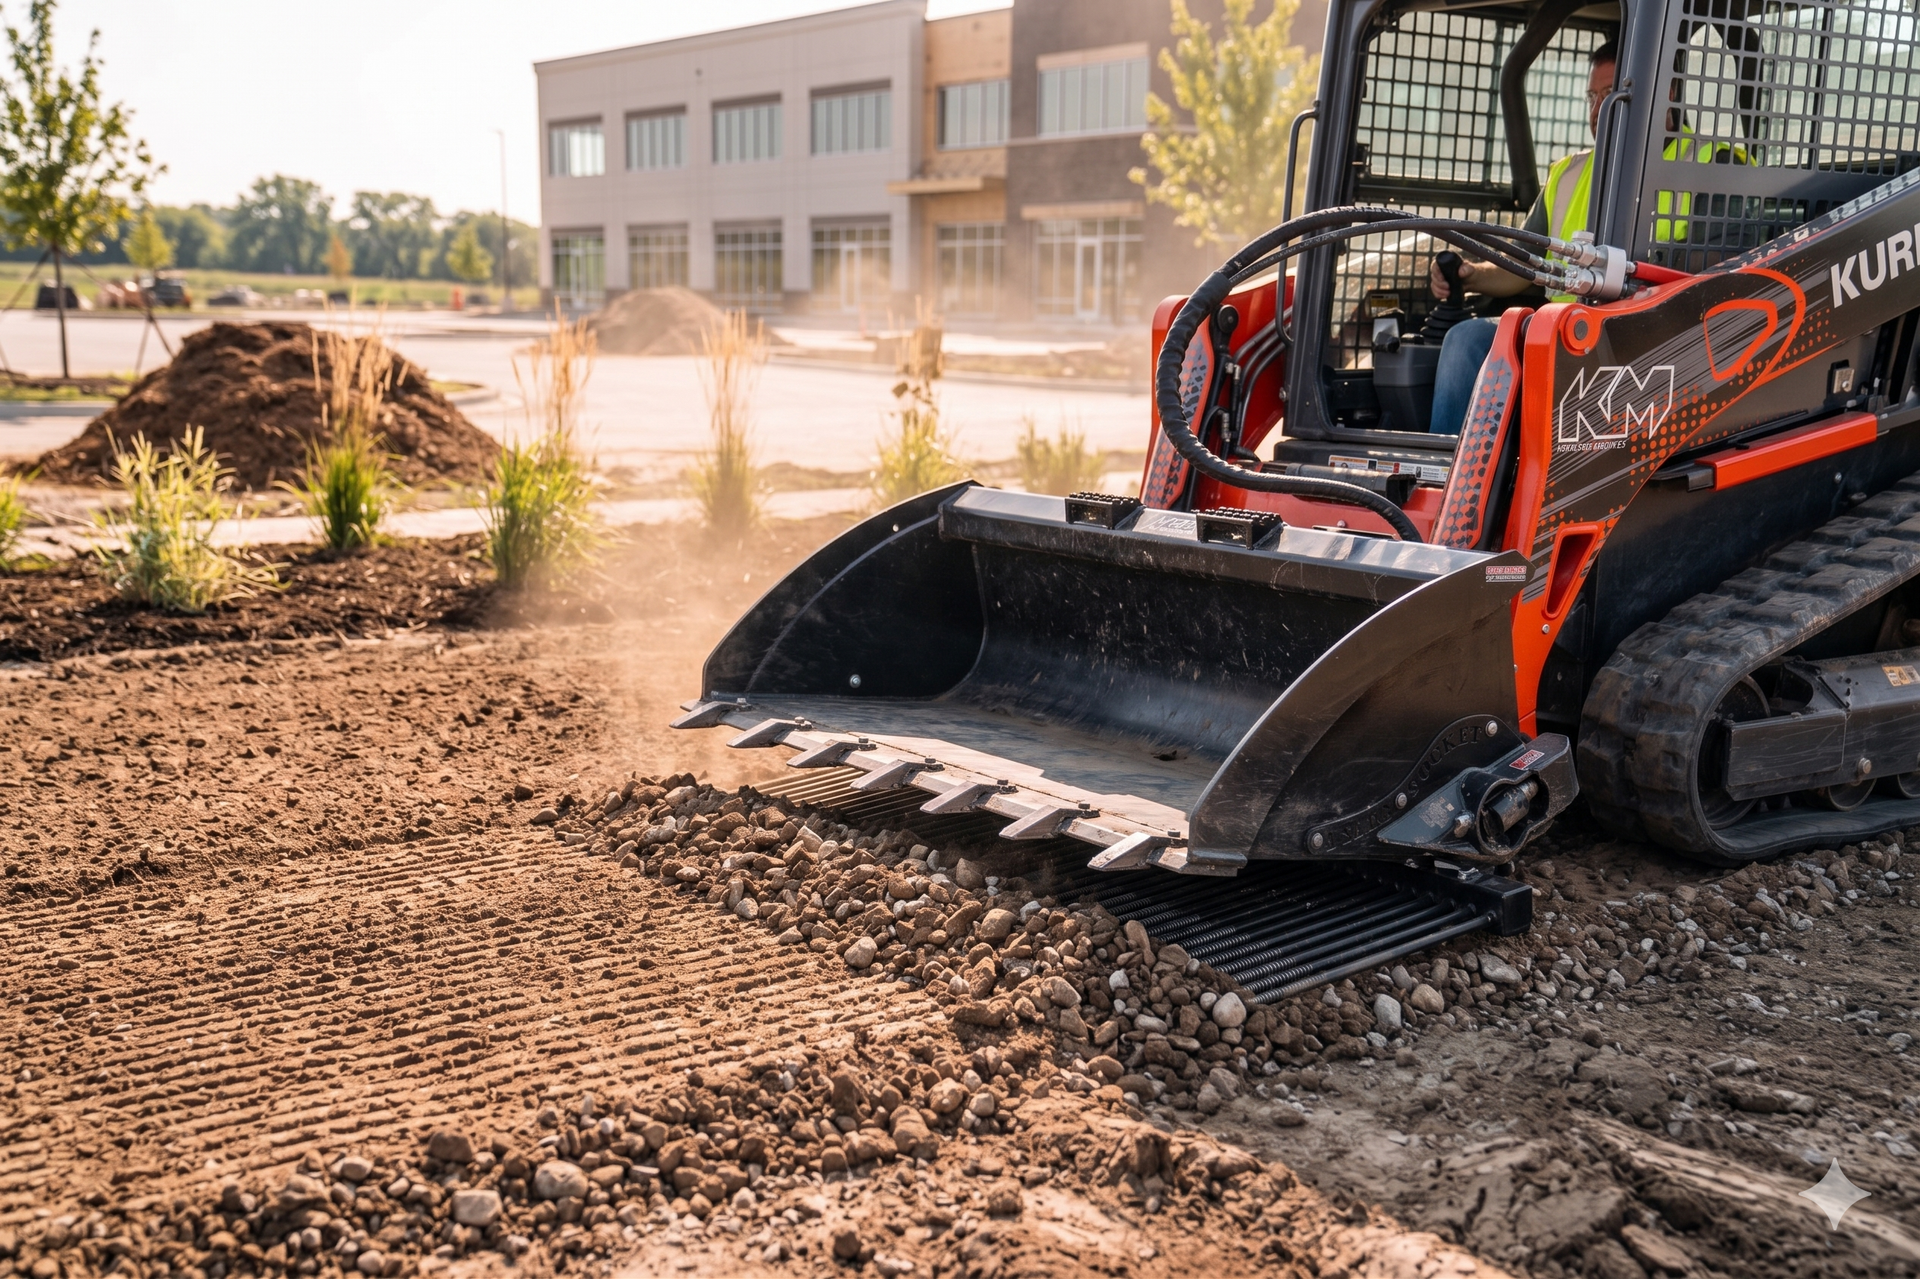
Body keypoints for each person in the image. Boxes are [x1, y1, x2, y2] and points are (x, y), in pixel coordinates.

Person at [1425, 41, 1617, 434]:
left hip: (1640, 341)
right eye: (1592, 97)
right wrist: (1469, 274)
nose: (1597, 111)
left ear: (1664, 90)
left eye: (1610, 95)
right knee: (1467, 340)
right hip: (1560, 335)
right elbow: (1522, 264)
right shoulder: (1567, 175)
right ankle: (1447, 465)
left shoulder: (1708, 164)